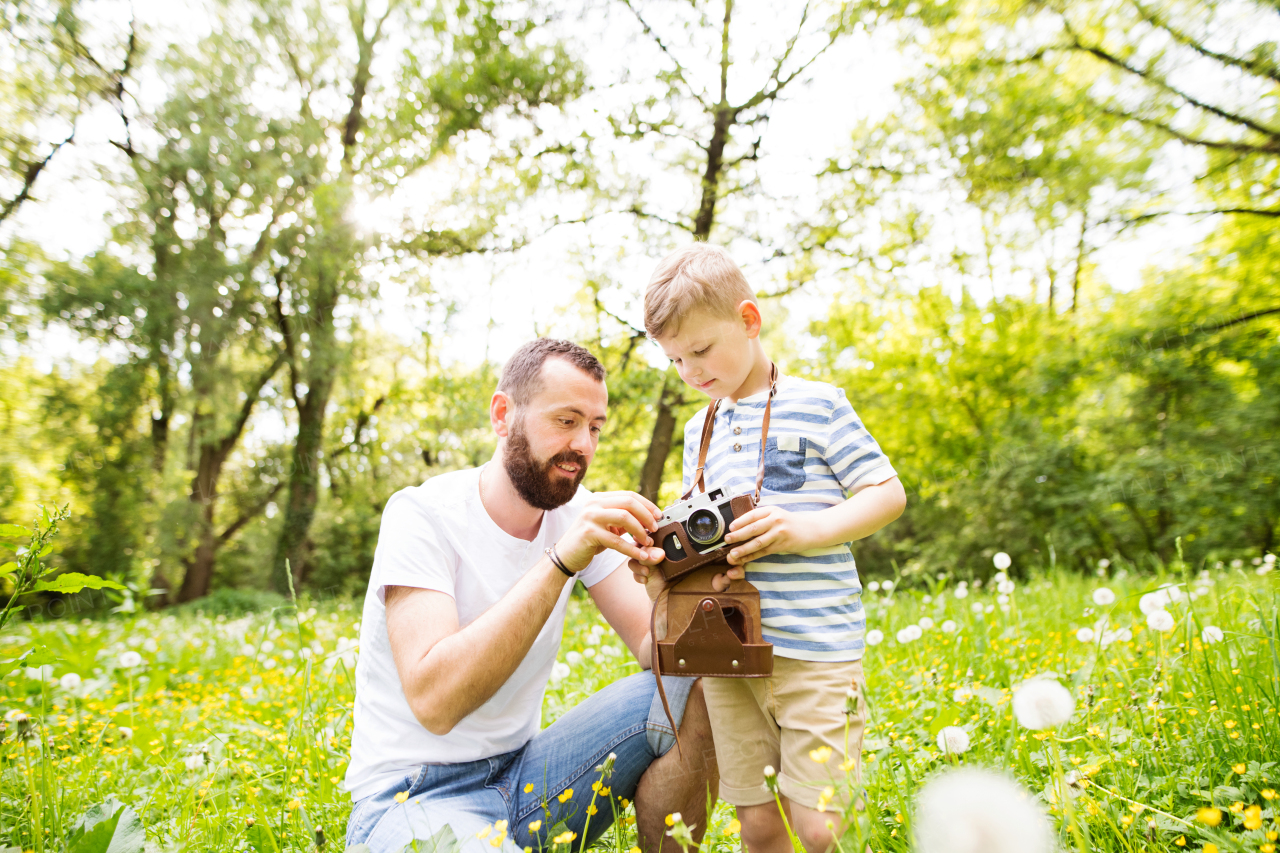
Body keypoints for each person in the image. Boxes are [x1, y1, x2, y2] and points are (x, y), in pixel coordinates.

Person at [344, 339, 718, 852]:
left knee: (688, 693)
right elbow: (435, 703)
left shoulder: (578, 512)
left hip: (526, 780)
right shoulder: (421, 515)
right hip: (412, 797)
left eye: (594, 427)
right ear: (503, 415)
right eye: (565, 421)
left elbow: (659, 654)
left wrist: (680, 590)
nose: (584, 445)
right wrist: (561, 561)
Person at [635, 244, 907, 853]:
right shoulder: (698, 428)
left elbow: (887, 495)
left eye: (701, 350)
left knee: (819, 825)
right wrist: (663, 563)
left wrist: (802, 530)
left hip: (816, 651)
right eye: (675, 359)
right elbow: (698, 530)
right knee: (758, 823)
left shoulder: (819, 403)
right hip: (730, 651)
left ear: (749, 320)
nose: (691, 371)